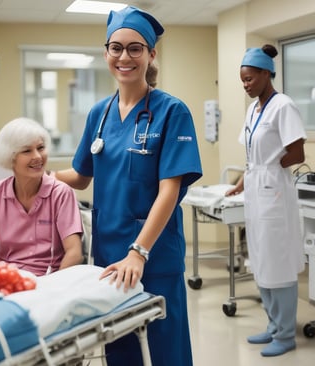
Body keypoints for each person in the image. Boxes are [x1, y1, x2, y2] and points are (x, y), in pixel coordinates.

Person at [54, 6, 202, 366]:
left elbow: (170, 189)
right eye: (116, 48)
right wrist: (34, 173)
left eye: (135, 48)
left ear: (151, 54)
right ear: (106, 53)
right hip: (107, 256)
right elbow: (81, 176)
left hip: (153, 256)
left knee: (168, 349)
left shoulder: (172, 111)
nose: (124, 57)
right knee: (119, 348)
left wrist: (139, 251)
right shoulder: (98, 114)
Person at [226, 44, 306, 357]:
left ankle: (286, 334)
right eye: (242, 80)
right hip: (257, 190)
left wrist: (268, 172)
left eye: (249, 79)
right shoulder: (254, 109)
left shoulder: (283, 106)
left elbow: (296, 153)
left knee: (279, 263)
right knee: (260, 259)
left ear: (265, 73)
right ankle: (273, 326)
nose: (245, 84)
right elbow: (252, 157)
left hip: (274, 191)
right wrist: (242, 183)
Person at [0, 117, 84, 276]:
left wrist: (52, 287)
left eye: (41, 148)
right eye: (26, 150)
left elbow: (74, 253)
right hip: (5, 278)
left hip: (48, 279)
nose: (37, 156)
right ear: (10, 157)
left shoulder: (61, 193)